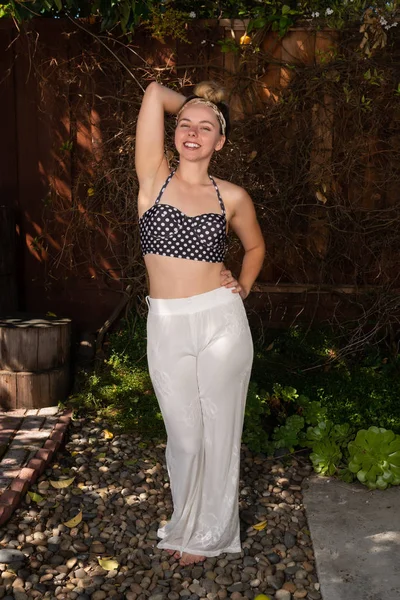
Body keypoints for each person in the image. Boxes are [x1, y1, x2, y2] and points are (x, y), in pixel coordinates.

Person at [135, 80, 265, 567]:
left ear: (220, 142)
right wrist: (201, 100)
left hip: (221, 321)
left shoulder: (232, 196)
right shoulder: (154, 180)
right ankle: (185, 521)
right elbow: (154, 93)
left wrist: (243, 286)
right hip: (168, 323)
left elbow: (255, 247)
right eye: (186, 124)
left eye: (206, 127)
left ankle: (210, 533)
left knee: (220, 431)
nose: (193, 132)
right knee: (186, 436)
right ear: (174, 133)